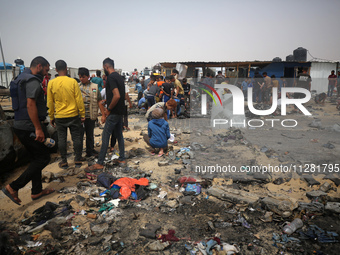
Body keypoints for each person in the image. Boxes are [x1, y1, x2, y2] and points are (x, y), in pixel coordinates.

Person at [3, 56, 54, 205]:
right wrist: (38, 128)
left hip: (20, 125)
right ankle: (13, 187)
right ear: (39, 66)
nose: (46, 73)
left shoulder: (19, 79)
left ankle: (36, 191)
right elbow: (30, 104)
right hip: (29, 126)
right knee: (43, 158)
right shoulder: (32, 81)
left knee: (35, 157)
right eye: (45, 70)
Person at [85, 57, 126, 171]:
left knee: (105, 135)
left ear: (105, 67)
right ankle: (122, 158)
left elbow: (117, 95)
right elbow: (119, 95)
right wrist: (107, 101)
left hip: (113, 112)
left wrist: (108, 109)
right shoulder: (118, 77)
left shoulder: (111, 77)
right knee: (119, 135)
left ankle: (100, 162)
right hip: (120, 111)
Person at [47, 60, 85, 169]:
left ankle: (64, 161)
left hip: (59, 116)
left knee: (62, 138)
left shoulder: (51, 83)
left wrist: (51, 116)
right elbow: (79, 99)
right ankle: (77, 160)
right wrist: (82, 114)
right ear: (66, 68)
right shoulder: (73, 82)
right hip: (73, 115)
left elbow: (49, 102)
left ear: (56, 69)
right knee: (76, 138)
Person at [78, 67, 105, 158]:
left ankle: (89, 151)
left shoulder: (94, 87)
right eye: (80, 77)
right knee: (80, 135)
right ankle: (78, 154)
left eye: (83, 77)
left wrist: (103, 114)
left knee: (90, 134)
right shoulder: (77, 87)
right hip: (80, 116)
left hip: (91, 115)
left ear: (88, 77)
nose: (81, 79)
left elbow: (99, 101)